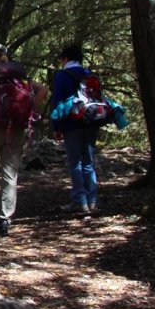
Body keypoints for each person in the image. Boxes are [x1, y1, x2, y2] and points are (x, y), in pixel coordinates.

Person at [0, 44, 48, 237]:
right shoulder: (18, 74)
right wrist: (29, 107)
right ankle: (4, 220)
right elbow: (43, 90)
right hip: (16, 128)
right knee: (10, 175)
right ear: (6, 56)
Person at [51, 44, 100, 214]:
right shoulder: (89, 74)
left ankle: (80, 201)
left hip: (71, 124)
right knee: (88, 161)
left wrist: (56, 126)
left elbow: (57, 101)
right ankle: (92, 200)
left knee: (75, 162)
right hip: (92, 121)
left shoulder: (62, 76)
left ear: (65, 58)